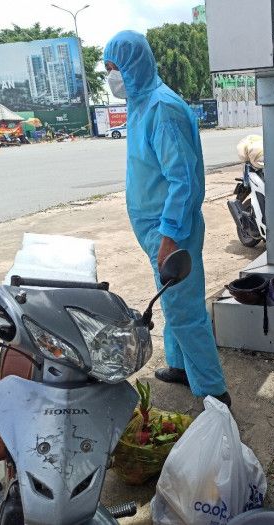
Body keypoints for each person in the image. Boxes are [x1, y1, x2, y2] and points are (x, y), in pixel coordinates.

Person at [103, 31, 230, 406]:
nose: (111, 76)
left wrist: (170, 236)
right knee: (172, 298)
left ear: (134, 66)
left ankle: (213, 391)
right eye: (108, 69)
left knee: (185, 309)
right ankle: (179, 365)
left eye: (115, 68)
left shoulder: (162, 108)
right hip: (155, 228)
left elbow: (183, 180)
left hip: (171, 228)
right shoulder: (140, 103)